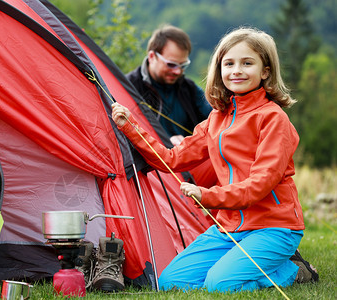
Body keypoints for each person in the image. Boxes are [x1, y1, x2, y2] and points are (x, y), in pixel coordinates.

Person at [112, 27, 318, 292]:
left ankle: (294, 270)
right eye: (228, 63)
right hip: (229, 226)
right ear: (219, 69)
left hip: (273, 227)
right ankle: (247, 262)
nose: (236, 71)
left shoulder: (273, 119)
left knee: (219, 284)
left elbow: (260, 184)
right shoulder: (216, 119)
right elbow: (171, 159)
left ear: (265, 71)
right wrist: (131, 127)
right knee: (170, 282)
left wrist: (206, 195)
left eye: (247, 63)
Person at [127, 24, 215, 187]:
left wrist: (190, 142)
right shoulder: (128, 87)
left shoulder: (188, 88)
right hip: (149, 171)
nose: (177, 72)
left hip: (187, 166)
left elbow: (216, 122)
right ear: (152, 56)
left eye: (183, 66)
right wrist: (165, 141)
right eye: (171, 64)